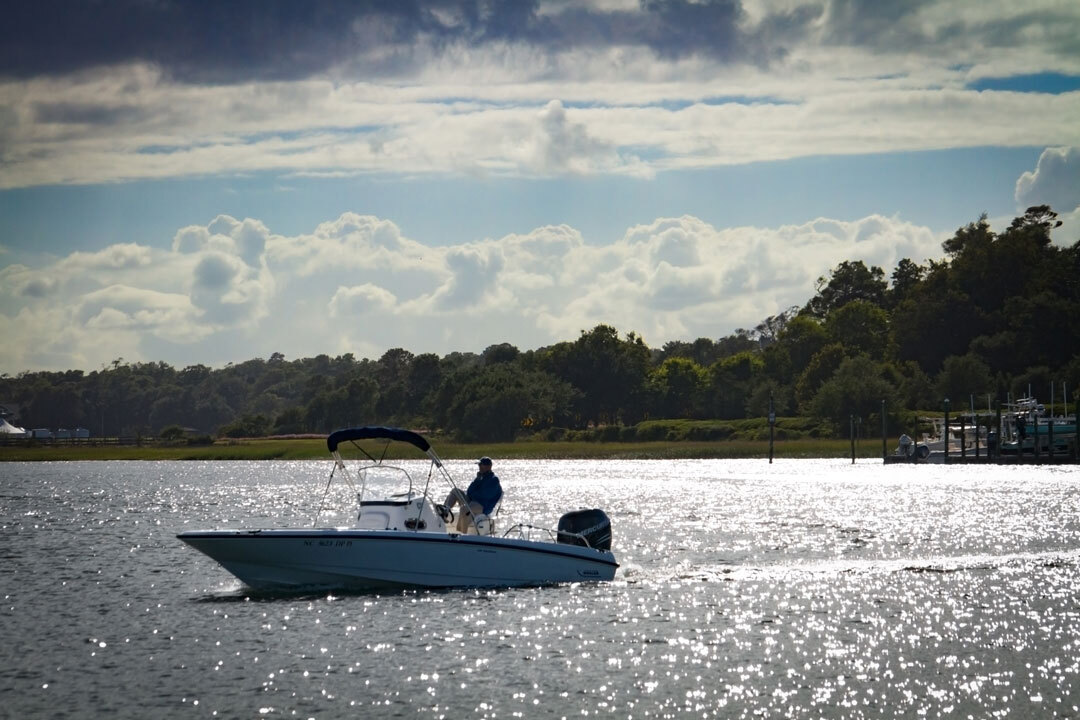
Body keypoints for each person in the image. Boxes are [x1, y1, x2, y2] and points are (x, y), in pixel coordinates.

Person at [444, 456, 503, 533]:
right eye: (479, 465)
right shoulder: (480, 477)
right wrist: (477, 480)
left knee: (464, 509)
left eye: (481, 465)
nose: (479, 467)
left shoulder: (494, 480)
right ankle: (445, 511)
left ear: (489, 467)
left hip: (483, 506)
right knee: (455, 491)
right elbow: (469, 491)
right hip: (473, 502)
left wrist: (473, 494)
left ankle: (461, 533)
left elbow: (484, 496)